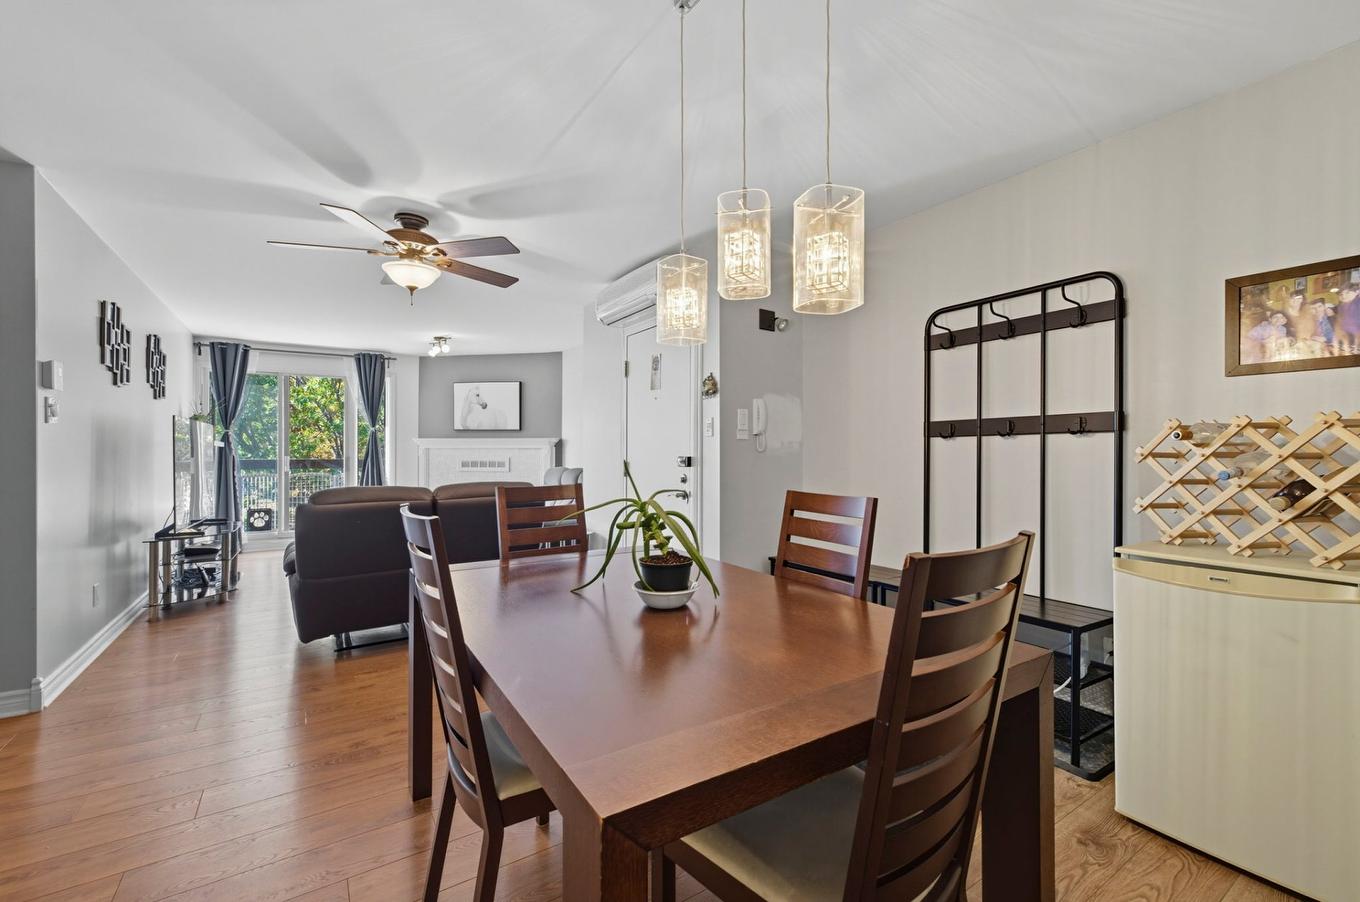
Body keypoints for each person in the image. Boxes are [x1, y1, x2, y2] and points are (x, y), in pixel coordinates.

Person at [1337, 284, 1360, 356]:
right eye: (1341, 294)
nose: (1344, 296)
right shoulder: (1342, 306)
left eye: (1347, 293)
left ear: (1357, 292)